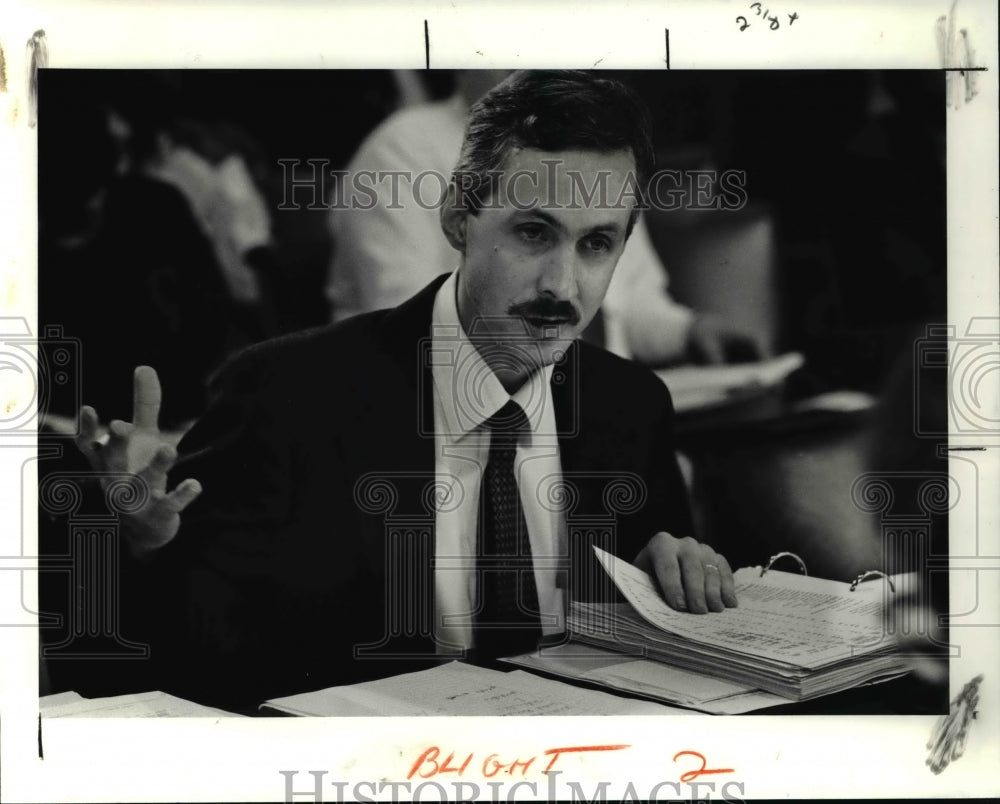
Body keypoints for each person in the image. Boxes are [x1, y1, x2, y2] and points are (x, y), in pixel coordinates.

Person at [76, 71, 737, 710]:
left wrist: (679, 573)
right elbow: (176, 665)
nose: (562, 286)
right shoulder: (285, 397)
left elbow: (656, 639)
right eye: (533, 233)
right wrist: (144, 545)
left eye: (597, 244)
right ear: (457, 218)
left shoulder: (633, 408)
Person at [327, 70, 759, 365]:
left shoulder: (597, 145)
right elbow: (407, 328)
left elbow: (623, 310)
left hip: (591, 416)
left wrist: (690, 331)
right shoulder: (401, 151)